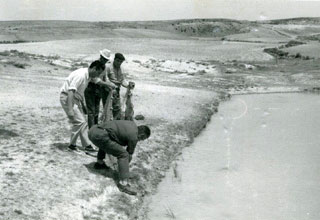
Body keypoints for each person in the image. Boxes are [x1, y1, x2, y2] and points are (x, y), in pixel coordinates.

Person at [60, 60, 112, 152]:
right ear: (94, 68)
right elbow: (71, 91)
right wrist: (71, 109)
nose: (98, 75)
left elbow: (97, 82)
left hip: (76, 99)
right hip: (68, 97)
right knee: (79, 122)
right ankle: (72, 146)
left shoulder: (88, 75)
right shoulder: (81, 75)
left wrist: (82, 105)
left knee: (83, 122)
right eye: (98, 72)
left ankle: (87, 145)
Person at [88, 120, 151, 195]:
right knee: (124, 155)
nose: (141, 140)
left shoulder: (132, 124)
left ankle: (100, 163)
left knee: (108, 140)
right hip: (100, 136)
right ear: (142, 135)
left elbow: (114, 135)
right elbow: (128, 155)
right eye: (143, 139)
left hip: (93, 131)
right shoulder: (134, 136)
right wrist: (123, 170)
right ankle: (123, 184)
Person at [84, 49, 116, 128]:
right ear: (101, 57)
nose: (104, 61)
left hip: (99, 89)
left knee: (96, 111)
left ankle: (95, 127)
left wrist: (110, 85)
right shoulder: (95, 65)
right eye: (104, 59)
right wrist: (107, 84)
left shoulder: (104, 67)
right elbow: (95, 79)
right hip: (90, 88)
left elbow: (105, 78)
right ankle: (91, 129)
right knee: (91, 111)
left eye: (106, 60)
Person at [106, 53, 132, 120]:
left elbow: (122, 80)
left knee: (117, 108)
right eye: (118, 61)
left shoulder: (121, 69)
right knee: (107, 109)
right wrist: (111, 85)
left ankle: (116, 124)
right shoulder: (108, 67)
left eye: (121, 62)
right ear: (114, 59)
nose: (119, 63)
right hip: (107, 90)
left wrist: (128, 85)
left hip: (117, 90)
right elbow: (105, 79)